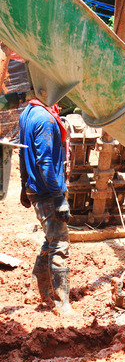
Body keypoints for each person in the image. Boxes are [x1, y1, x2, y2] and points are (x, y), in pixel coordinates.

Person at [19, 98, 74, 315]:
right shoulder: (44, 119)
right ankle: (62, 304)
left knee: (50, 239)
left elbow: (23, 150)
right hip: (47, 192)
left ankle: (39, 288)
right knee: (60, 243)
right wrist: (58, 197)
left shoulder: (29, 111)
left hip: (36, 188)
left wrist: (24, 186)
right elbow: (45, 162)